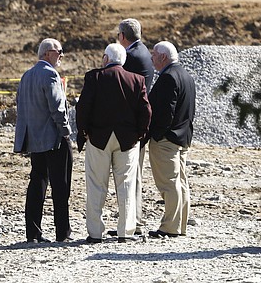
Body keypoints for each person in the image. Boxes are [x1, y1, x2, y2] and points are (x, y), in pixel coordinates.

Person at [76, 43, 151, 244]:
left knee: (96, 185)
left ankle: (95, 232)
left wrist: (84, 133)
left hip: (98, 138)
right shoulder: (137, 79)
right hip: (127, 140)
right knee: (126, 185)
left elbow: (83, 108)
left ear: (106, 59)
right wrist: (140, 135)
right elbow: (146, 111)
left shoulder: (94, 77)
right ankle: (125, 232)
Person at [13, 38, 73, 243]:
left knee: (37, 183)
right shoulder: (50, 74)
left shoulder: (26, 76)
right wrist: (66, 131)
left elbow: (20, 105)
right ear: (48, 53)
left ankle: (33, 233)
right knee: (60, 185)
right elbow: (57, 108)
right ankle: (62, 233)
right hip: (54, 139)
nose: (62, 55)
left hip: (34, 140)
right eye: (59, 51)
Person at [147, 41, 196, 238]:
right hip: (182, 137)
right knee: (180, 182)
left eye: (154, 55)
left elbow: (165, 112)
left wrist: (156, 133)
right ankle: (180, 224)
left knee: (169, 183)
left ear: (163, 57)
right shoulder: (185, 75)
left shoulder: (167, 77)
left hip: (167, 139)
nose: (151, 58)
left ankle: (170, 227)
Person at [111, 17, 154, 237]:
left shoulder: (130, 57)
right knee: (133, 175)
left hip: (128, 127)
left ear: (122, 36)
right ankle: (132, 219)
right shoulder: (144, 52)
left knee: (130, 175)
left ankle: (131, 221)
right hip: (137, 124)